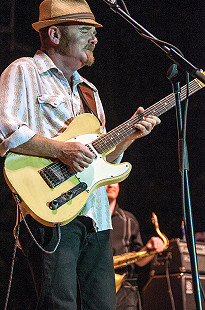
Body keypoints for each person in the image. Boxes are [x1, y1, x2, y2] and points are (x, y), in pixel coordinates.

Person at [0, 0, 161, 309]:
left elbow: (103, 163)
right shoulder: (24, 71)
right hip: (52, 212)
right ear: (56, 35)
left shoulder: (91, 91)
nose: (95, 38)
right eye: (86, 30)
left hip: (97, 218)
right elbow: (6, 130)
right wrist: (61, 149)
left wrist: (125, 139)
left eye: (94, 32)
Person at [106, 183, 164, 310]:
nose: (111, 185)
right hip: (94, 288)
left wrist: (151, 249)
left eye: (115, 181)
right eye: (107, 181)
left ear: (119, 187)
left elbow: (140, 262)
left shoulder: (129, 220)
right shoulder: (88, 218)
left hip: (125, 292)